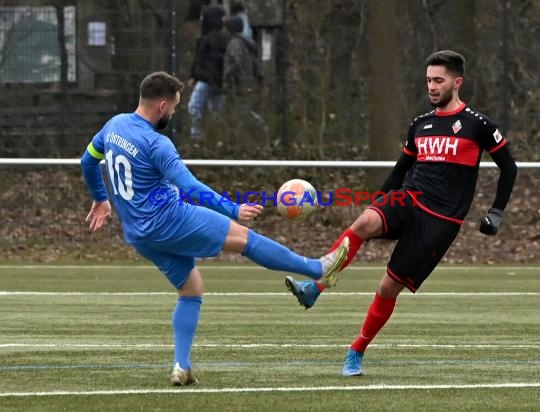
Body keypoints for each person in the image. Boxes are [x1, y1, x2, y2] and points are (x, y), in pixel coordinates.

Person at [80, 71, 349, 385]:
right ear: (162, 106)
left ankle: (181, 366)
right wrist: (233, 208)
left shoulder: (113, 126)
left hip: (139, 234)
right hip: (170, 219)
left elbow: (87, 161)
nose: (177, 111)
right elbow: (189, 187)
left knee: (191, 290)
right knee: (245, 238)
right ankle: (317, 268)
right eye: (176, 107)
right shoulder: (157, 144)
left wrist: (101, 198)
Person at [284, 50, 518, 377]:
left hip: (441, 221)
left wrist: (497, 211)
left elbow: (509, 167)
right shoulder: (420, 124)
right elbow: (400, 170)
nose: (432, 87)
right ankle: (316, 287)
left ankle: (356, 351)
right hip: (409, 198)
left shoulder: (477, 125)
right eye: (428, 81)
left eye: (439, 80)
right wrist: (377, 201)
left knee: (386, 288)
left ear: (457, 82)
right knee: (365, 221)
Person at [223, 16, 268, 143]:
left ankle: (262, 129)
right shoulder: (247, 43)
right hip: (246, 83)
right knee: (241, 111)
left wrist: (226, 76)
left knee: (242, 112)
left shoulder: (235, 43)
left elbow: (236, 62)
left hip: (237, 84)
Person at [187, 5, 227, 139]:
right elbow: (200, 59)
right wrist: (194, 75)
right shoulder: (208, 37)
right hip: (209, 79)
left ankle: (196, 135)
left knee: (194, 105)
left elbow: (209, 61)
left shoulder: (214, 37)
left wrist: (198, 76)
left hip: (208, 80)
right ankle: (219, 136)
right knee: (216, 110)